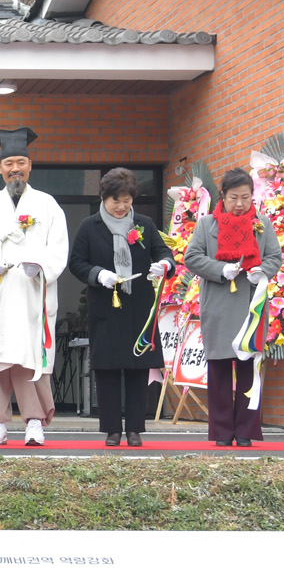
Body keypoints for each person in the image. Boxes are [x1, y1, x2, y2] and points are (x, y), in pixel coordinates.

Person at [0, 127, 68, 447]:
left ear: (30, 165)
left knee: (30, 357)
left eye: (21, 162)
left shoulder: (47, 204)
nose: (15, 169)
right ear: (0, 168)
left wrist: (40, 267)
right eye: (9, 163)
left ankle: (35, 421)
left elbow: (58, 248)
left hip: (31, 293)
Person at [68, 167, 175, 448]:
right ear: (104, 197)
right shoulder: (90, 226)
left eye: (127, 201)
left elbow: (164, 252)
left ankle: (135, 429)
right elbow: (76, 263)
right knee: (107, 369)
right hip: (106, 306)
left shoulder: (144, 224)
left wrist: (164, 265)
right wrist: (98, 274)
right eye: (116, 200)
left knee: (138, 368)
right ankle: (112, 429)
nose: (121, 207)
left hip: (139, 307)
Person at [183, 167, 283, 447]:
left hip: (251, 304)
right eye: (233, 198)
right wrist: (220, 269)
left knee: (249, 367)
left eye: (245, 198)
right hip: (218, 304)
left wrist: (262, 271)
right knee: (219, 370)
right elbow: (192, 257)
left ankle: (245, 431)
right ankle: (222, 432)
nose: (240, 204)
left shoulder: (262, 223)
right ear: (223, 197)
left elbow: (275, 257)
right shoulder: (207, 225)